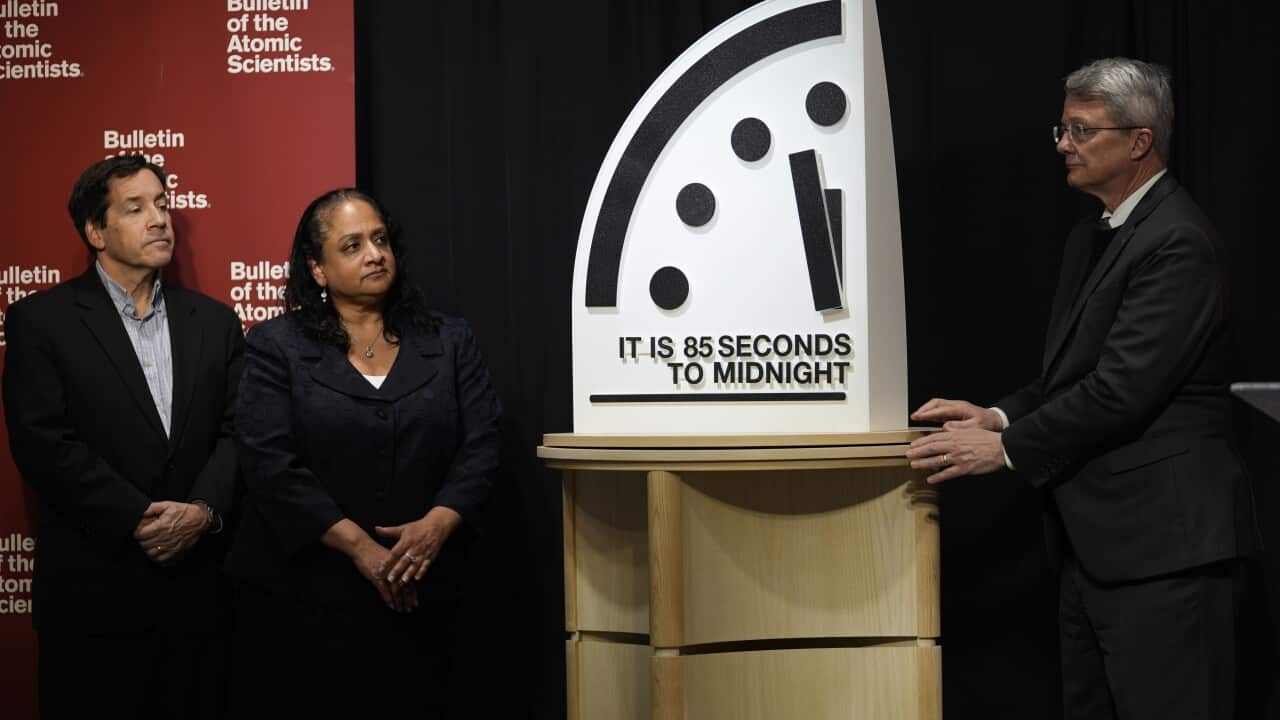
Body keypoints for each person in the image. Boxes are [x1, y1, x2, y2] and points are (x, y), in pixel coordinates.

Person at [904, 58, 1257, 719]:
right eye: (1062, 129)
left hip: (1165, 552)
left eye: (1082, 130)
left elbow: (1122, 391)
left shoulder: (1179, 241)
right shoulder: (1090, 238)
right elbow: (1071, 378)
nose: (1064, 144)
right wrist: (998, 416)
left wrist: (1004, 450)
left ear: (1139, 141)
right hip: (1094, 550)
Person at [225, 188, 501, 717]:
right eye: (352, 246)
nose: (374, 254)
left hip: (426, 591)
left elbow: (483, 442)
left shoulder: (449, 339)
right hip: (307, 599)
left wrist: (438, 524)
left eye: (380, 239)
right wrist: (361, 550)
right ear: (318, 269)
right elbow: (268, 461)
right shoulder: (275, 346)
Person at [2, 155, 244, 719]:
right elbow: (42, 442)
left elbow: (239, 432)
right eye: (135, 208)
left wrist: (202, 511)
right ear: (96, 231)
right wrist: (138, 517)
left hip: (199, 600)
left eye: (162, 204)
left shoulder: (216, 323)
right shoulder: (40, 321)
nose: (159, 219)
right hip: (93, 600)